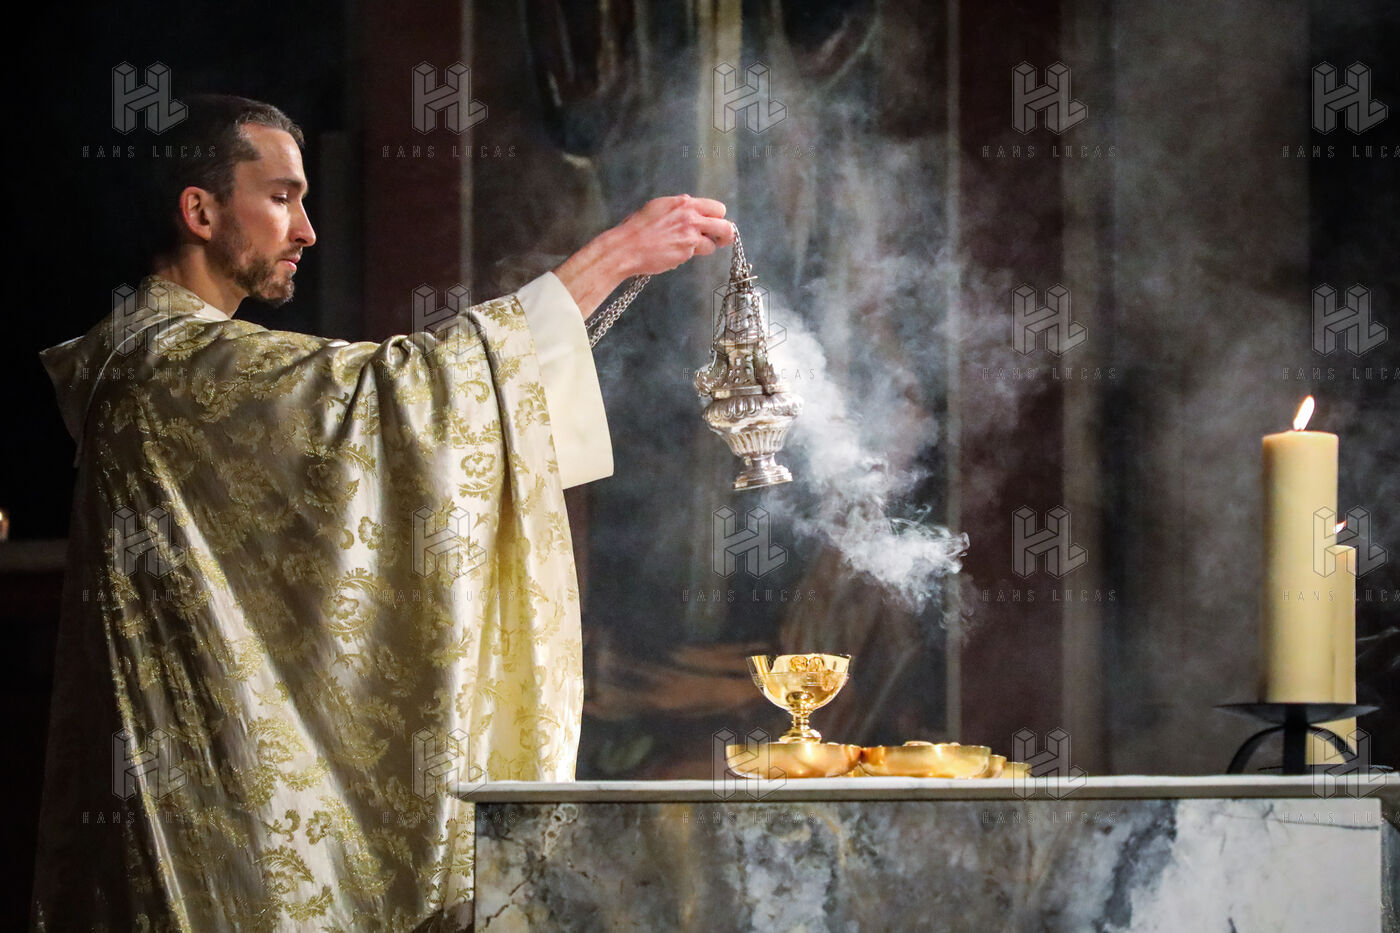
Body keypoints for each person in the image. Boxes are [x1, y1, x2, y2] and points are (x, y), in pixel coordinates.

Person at [31, 94, 733, 931]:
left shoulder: (162, 361)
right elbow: (396, 398)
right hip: (198, 803)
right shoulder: (164, 365)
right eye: (282, 197)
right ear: (201, 212)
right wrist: (612, 259)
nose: (307, 231)